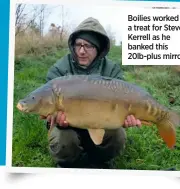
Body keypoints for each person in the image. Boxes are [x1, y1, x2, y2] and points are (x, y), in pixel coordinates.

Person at [41, 17, 142, 168]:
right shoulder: (59, 70)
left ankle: (100, 161)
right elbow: (46, 106)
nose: (81, 51)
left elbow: (123, 103)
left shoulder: (111, 70)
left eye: (88, 46)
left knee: (118, 136)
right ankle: (70, 163)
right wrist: (55, 119)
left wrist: (124, 118)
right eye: (78, 45)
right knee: (64, 141)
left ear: (98, 48)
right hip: (70, 127)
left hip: (102, 124)